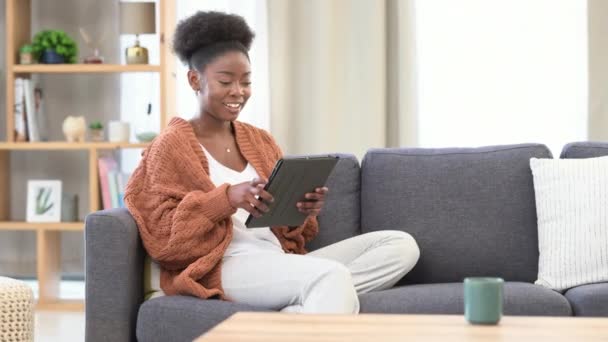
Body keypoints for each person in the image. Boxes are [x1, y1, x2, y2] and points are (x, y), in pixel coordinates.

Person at [124, 11, 420, 314]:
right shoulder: (169, 146)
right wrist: (226, 199)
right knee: (332, 276)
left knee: (399, 245)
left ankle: (303, 307)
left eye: (246, 82)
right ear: (194, 79)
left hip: (276, 259)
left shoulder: (259, 140)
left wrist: (301, 210)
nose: (238, 92)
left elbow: (290, 230)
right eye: (226, 81)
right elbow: (166, 241)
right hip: (226, 264)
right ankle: (315, 296)